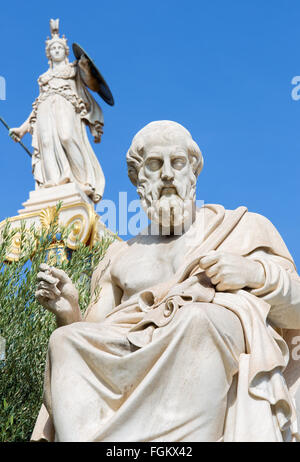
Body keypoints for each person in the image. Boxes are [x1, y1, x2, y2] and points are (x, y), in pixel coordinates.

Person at [33, 120, 300, 442]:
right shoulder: (119, 255)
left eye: (178, 163)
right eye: (155, 165)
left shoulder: (242, 227)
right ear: (138, 178)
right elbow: (96, 332)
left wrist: (253, 273)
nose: (168, 175)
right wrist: (69, 313)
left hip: (201, 340)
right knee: (65, 341)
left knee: (198, 317)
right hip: (130, 355)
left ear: (193, 171)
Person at [10, 19, 105, 203]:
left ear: (66, 51)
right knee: (46, 143)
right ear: (48, 54)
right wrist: (22, 129)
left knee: (67, 137)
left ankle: (83, 180)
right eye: (53, 49)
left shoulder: (73, 70)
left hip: (66, 104)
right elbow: (36, 106)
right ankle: (52, 183)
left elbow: (93, 85)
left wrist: (86, 69)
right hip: (45, 108)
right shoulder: (44, 78)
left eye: (59, 48)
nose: (56, 51)